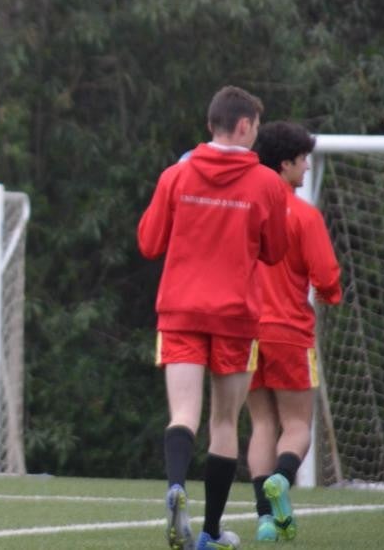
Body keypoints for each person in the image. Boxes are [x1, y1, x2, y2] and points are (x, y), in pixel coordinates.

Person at [137, 85, 291, 550]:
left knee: (183, 412)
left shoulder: (175, 176)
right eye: (257, 128)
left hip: (180, 310)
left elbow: (148, 243)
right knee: (224, 423)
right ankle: (208, 533)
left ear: (211, 125)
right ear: (244, 126)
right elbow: (276, 251)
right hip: (235, 318)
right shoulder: (266, 183)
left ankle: (175, 487)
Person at [246, 121, 341, 542]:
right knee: (298, 424)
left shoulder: (245, 210)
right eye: (302, 161)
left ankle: (265, 518)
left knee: (262, 424)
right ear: (285, 164)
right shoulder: (303, 214)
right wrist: (327, 294)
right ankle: (283, 478)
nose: (306, 169)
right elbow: (326, 277)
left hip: (245, 333)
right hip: (288, 332)